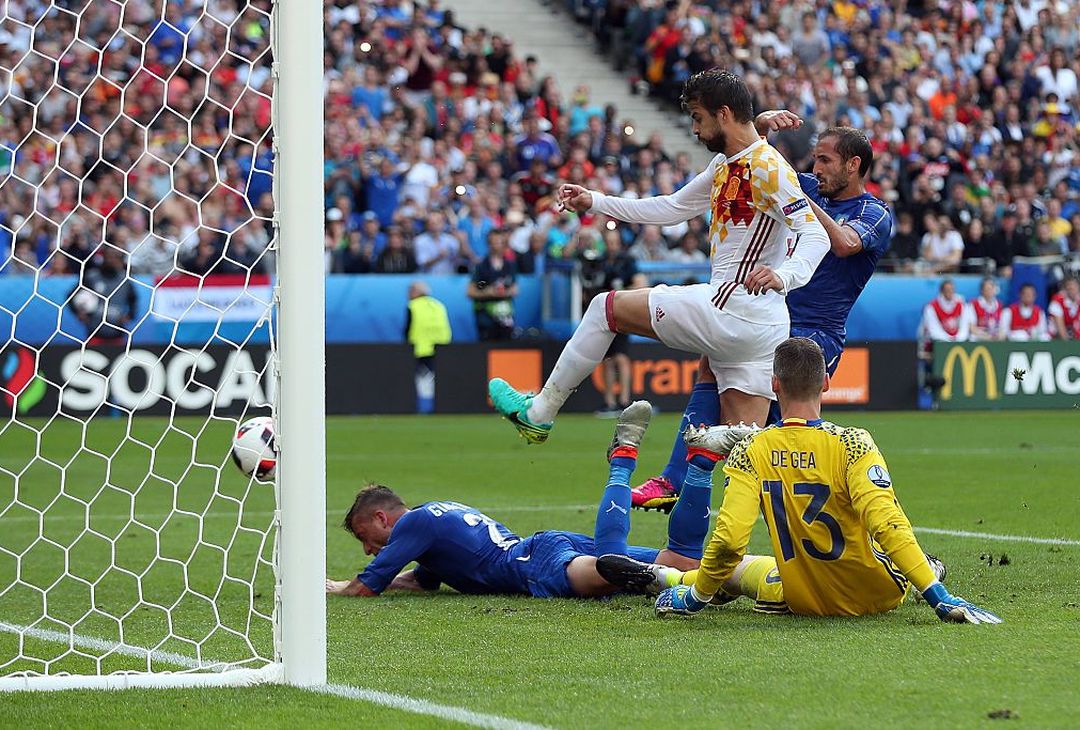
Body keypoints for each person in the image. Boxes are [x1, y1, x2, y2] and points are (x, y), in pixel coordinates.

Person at [488, 70, 830, 446]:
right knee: (745, 456)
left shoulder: (768, 168)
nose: (696, 131)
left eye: (698, 118)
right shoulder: (726, 165)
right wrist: (597, 201)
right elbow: (671, 208)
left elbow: (814, 233)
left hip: (733, 309)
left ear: (724, 114)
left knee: (605, 308)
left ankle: (540, 413)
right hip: (759, 328)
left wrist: (785, 275)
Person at [597, 338, 1001, 625]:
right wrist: (938, 596)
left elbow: (730, 538)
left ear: (774, 385)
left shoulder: (751, 449)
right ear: (826, 383)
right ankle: (931, 572)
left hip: (805, 595)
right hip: (874, 595)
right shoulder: (853, 442)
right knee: (907, 555)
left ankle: (672, 580)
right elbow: (887, 522)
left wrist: (698, 597)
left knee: (742, 568)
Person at [632, 121, 892, 513]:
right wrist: (759, 128)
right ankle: (675, 480)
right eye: (814, 159)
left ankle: (835, 515)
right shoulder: (803, 184)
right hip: (769, 317)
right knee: (713, 367)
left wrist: (801, 204)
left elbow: (844, 243)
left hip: (813, 336)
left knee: (778, 435)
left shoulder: (874, 213)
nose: (815, 168)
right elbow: (754, 161)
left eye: (825, 160)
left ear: (853, 165)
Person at [325, 402, 708, 599]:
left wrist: (336, 587)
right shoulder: (433, 520)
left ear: (381, 517)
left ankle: (623, 462)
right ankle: (734, 571)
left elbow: (366, 587)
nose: (366, 549)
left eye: (364, 536)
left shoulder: (412, 525)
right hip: (544, 545)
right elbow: (421, 583)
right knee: (680, 561)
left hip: (530, 564)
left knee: (607, 571)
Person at [404, 281, 452, 414]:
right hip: (441, 348)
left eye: (409, 291)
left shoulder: (413, 306)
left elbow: (407, 328)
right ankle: (438, 407)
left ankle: (424, 407)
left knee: (421, 380)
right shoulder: (438, 305)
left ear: (415, 292)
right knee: (436, 380)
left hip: (420, 348)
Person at [466, 227, 517, 341]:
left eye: (499, 242)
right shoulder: (481, 266)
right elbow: (471, 291)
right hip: (486, 318)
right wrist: (488, 292)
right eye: (493, 242)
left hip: (505, 317)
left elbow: (514, 288)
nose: (496, 245)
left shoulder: (510, 265)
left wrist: (503, 292)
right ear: (488, 244)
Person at [967, 276, 1003, 341]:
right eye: (987, 289)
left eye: (992, 288)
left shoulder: (999, 305)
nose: (990, 291)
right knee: (973, 337)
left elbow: (1002, 327)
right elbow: (971, 328)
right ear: (982, 290)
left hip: (995, 337)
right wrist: (986, 336)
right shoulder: (974, 304)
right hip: (980, 337)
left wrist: (999, 335)